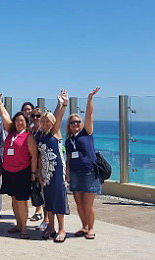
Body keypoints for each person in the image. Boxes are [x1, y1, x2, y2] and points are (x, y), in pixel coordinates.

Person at [0, 89, 38, 240]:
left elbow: (34, 156)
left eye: (22, 121)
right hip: (9, 172)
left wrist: (33, 173)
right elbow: (4, 116)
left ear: (26, 122)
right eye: (17, 120)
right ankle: (18, 225)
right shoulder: (11, 132)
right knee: (13, 199)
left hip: (22, 172)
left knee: (21, 201)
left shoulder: (28, 136)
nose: (19, 123)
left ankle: (24, 229)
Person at [65, 87, 101, 240]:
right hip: (74, 172)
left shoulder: (87, 133)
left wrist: (90, 99)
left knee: (87, 205)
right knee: (79, 204)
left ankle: (91, 228)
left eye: (78, 122)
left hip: (89, 172)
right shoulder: (68, 140)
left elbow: (89, 115)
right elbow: (67, 158)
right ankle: (84, 226)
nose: (76, 124)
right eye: (73, 122)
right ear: (69, 125)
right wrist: (67, 173)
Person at [36, 89, 70, 243]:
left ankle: (62, 228)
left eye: (47, 121)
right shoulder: (40, 136)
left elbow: (58, 118)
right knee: (48, 199)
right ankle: (51, 227)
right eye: (43, 121)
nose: (45, 123)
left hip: (56, 171)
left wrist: (61, 104)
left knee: (58, 199)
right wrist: (39, 172)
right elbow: (40, 156)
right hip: (45, 173)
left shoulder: (55, 133)